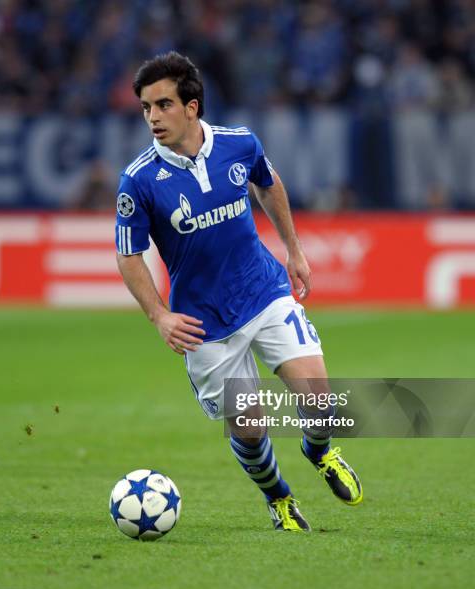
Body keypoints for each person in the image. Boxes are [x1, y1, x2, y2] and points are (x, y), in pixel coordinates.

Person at [115, 52, 362, 532]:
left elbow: (268, 186)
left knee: (319, 398)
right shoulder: (139, 180)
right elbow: (128, 254)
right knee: (249, 427)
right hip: (203, 322)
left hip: (263, 289)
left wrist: (294, 250)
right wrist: (159, 315)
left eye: (163, 104)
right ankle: (279, 499)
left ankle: (320, 451)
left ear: (192, 107)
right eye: (146, 107)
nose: (152, 117)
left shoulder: (239, 143)